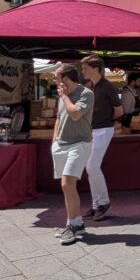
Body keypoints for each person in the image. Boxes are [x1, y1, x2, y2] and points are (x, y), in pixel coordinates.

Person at [51, 64, 95, 245]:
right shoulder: (63, 95)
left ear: (66, 79)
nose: (54, 81)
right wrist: (54, 142)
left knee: (67, 183)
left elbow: (75, 114)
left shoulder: (86, 94)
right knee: (67, 187)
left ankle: (73, 225)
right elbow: (59, 118)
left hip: (80, 143)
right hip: (61, 144)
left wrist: (64, 97)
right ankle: (76, 223)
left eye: (56, 77)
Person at [81, 55, 122, 222]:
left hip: (104, 130)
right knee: (90, 168)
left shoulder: (107, 86)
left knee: (92, 166)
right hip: (93, 130)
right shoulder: (92, 87)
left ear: (96, 69)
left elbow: (119, 111)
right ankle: (96, 204)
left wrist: (105, 120)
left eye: (85, 68)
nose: (83, 71)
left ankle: (104, 203)